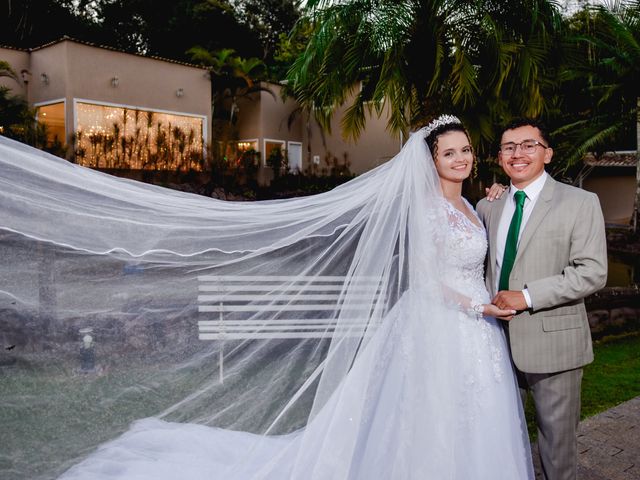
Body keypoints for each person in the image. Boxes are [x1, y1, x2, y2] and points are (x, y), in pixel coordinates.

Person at [0, 116, 532, 480]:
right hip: (442, 321)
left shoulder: (476, 207)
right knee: (426, 417)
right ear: (430, 159)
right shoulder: (424, 209)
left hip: (477, 331)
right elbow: (421, 274)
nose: (461, 158)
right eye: (449, 152)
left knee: (475, 415)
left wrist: (492, 231)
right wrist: (473, 306)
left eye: (465, 150)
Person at [476, 118, 607, 480]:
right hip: (494, 344)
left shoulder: (580, 202)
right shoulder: (489, 206)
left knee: (557, 450)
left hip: (555, 346)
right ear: (500, 157)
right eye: (509, 147)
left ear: (547, 153)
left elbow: (592, 271)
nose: (518, 153)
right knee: (503, 440)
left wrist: (528, 296)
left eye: (528, 145)